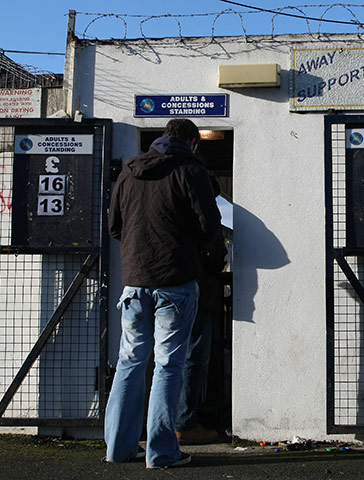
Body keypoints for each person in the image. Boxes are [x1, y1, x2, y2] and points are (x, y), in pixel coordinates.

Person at [104, 119, 221, 469]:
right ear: (192, 143)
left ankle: (118, 448)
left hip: (135, 282)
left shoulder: (129, 171)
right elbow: (209, 225)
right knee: (168, 365)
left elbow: (114, 227)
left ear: (161, 138)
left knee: (130, 361)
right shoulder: (190, 170)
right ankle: (161, 452)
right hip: (176, 282)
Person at [175, 177, 228, 445]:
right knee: (195, 358)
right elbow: (216, 256)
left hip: (166, 289)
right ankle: (185, 422)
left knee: (166, 359)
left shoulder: (174, 208)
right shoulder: (207, 214)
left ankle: (167, 423)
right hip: (200, 292)